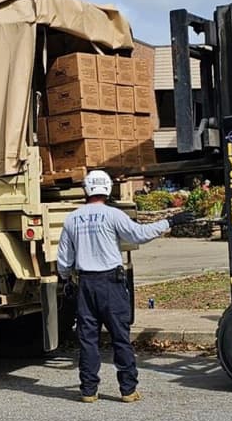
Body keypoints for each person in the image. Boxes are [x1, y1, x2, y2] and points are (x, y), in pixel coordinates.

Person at [57, 170, 194, 403]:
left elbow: (64, 258)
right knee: (120, 337)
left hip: (86, 284)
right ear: (107, 189)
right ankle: (128, 390)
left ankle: (89, 391)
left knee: (88, 339)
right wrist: (170, 221)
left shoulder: (72, 218)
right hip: (111, 283)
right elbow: (139, 234)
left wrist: (65, 279)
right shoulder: (113, 215)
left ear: (86, 189)